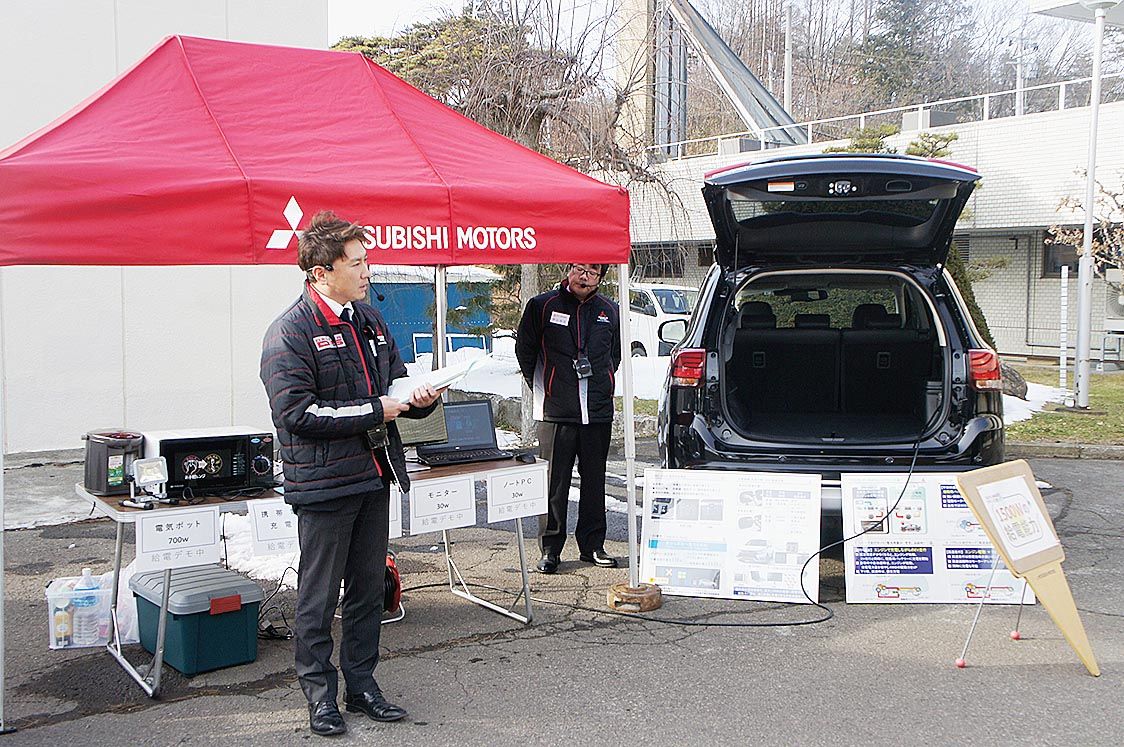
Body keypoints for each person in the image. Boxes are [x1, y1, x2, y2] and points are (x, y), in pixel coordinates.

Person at [260, 210, 441, 737]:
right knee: (318, 597)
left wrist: (419, 398)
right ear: (320, 271)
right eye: (357, 263)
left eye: (368, 261)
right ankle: (319, 695)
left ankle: (361, 685)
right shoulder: (290, 332)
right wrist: (377, 410)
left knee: (367, 589)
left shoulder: (370, 320)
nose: (368, 271)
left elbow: (395, 385)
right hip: (323, 487)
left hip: (373, 475)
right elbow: (297, 415)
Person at [516, 262, 622, 574]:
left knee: (594, 481)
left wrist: (603, 382)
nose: (584, 276)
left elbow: (613, 356)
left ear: (601, 277)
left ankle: (592, 545)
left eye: (592, 271)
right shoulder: (542, 306)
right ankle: (550, 549)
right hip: (556, 412)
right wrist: (548, 386)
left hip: (596, 412)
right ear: (568, 270)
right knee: (554, 483)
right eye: (579, 268)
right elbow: (526, 351)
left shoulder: (610, 311)